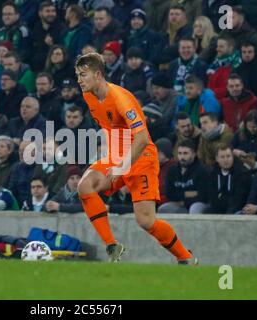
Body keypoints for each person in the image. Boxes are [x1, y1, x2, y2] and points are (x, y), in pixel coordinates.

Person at [75, 52, 197, 264]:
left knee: (146, 221)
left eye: (83, 75)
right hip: (116, 154)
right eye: (78, 75)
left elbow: (141, 139)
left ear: (97, 74)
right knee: (85, 186)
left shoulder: (121, 99)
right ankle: (112, 246)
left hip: (141, 156)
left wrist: (122, 166)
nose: (79, 80)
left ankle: (185, 257)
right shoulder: (88, 94)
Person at [158, 139, 209, 214]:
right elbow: (170, 194)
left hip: (198, 204)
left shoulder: (202, 170)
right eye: (180, 153)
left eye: (185, 153)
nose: (182, 157)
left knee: (194, 209)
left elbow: (203, 195)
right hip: (179, 205)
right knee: (163, 209)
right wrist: (190, 193)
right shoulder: (172, 170)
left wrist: (183, 198)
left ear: (194, 154)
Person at [207, 144, 252, 214]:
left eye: (228, 156)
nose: (226, 160)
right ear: (217, 159)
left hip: (238, 209)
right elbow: (212, 195)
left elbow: (239, 199)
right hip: (218, 208)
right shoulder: (213, 173)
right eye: (222, 157)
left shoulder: (242, 173)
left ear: (233, 157)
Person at [31, 1, 66, 73]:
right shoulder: (36, 28)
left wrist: (51, 46)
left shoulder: (61, 28)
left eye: (53, 11)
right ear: (40, 13)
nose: (51, 14)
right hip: (37, 66)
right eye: (47, 11)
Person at [207, 35, 242, 100]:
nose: (217, 49)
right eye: (217, 46)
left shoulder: (237, 65)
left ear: (230, 48)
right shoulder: (216, 64)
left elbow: (229, 88)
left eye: (221, 47)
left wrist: (209, 93)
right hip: (212, 99)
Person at [155, 137, 176, 206]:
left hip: (165, 201)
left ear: (165, 152)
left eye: (157, 152)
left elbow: (167, 190)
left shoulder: (173, 167)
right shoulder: (155, 166)